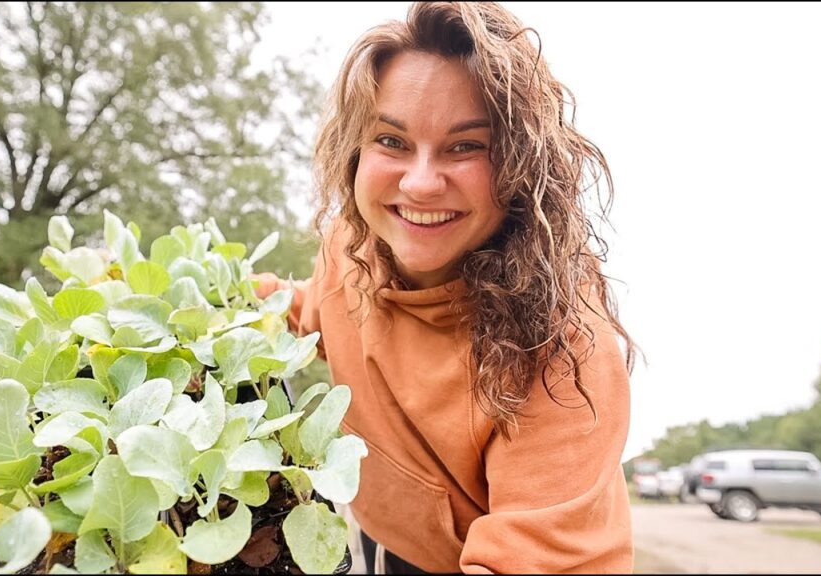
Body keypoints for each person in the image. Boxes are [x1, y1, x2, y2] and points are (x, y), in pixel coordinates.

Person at [256, 2, 635, 573]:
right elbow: (317, 312)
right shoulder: (350, 247)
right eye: (392, 141)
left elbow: (529, 561)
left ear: (520, 167)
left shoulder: (563, 348)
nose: (421, 183)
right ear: (357, 151)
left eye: (466, 146)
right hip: (386, 536)